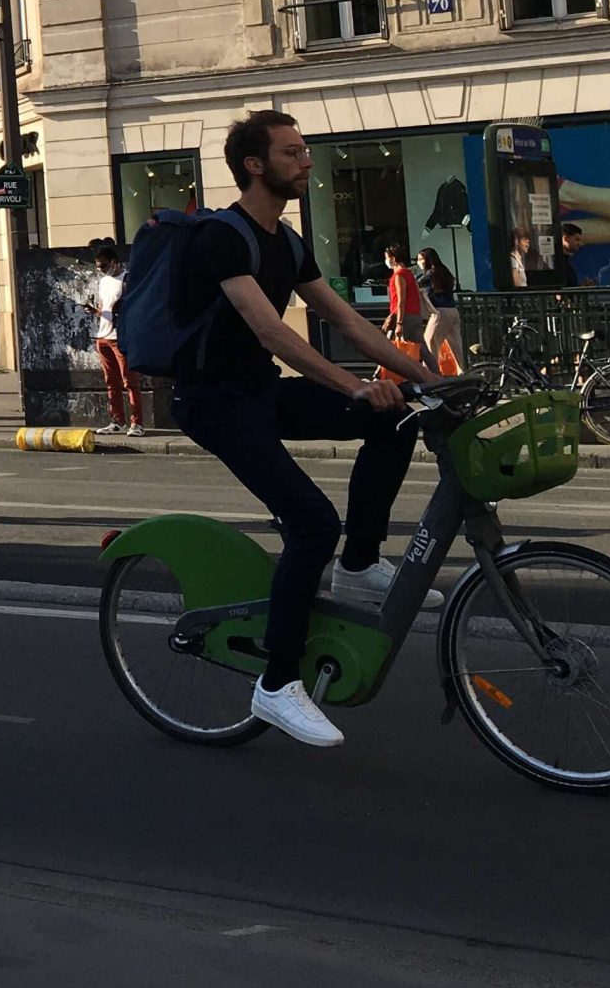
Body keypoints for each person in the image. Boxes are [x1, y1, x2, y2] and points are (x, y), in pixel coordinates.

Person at [174, 111, 447, 750]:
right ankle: (276, 683)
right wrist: (353, 386)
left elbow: (351, 323)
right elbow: (272, 331)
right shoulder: (223, 235)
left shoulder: (288, 241)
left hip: (261, 394)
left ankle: (356, 566)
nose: (307, 162)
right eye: (293, 152)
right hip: (213, 404)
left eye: (305, 151)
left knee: (398, 412)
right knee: (312, 523)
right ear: (254, 165)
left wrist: (428, 380)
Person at [87, 240, 143, 437]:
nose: (101, 270)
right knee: (111, 382)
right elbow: (105, 308)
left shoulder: (127, 279)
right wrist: (96, 311)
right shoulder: (103, 282)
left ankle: (136, 423)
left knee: (129, 381)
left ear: (114, 262)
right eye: (98, 266)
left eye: (103, 265)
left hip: (121, 337)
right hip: (103, 335)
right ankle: (117, 420)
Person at [415, 247, 462, 373]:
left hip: (439, 311)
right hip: (453, 310)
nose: (418, 262)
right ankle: (462, 373)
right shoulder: (444, 271)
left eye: (420, 259)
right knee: (456, 346)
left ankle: (430, 373)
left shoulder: (430, 274)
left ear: (428, 260)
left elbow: (418, 284)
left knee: (430, 341)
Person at [380, 243, 426, 371]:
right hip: (415, 315)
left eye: (387, 258)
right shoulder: (409, 273)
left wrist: (399, 323)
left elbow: (401, 300)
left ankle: (385, 376)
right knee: (423, 350)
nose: (386, 261)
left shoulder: (399, 275)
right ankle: (437, 376)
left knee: (393, 349)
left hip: (403, 316)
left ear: (393, 258)